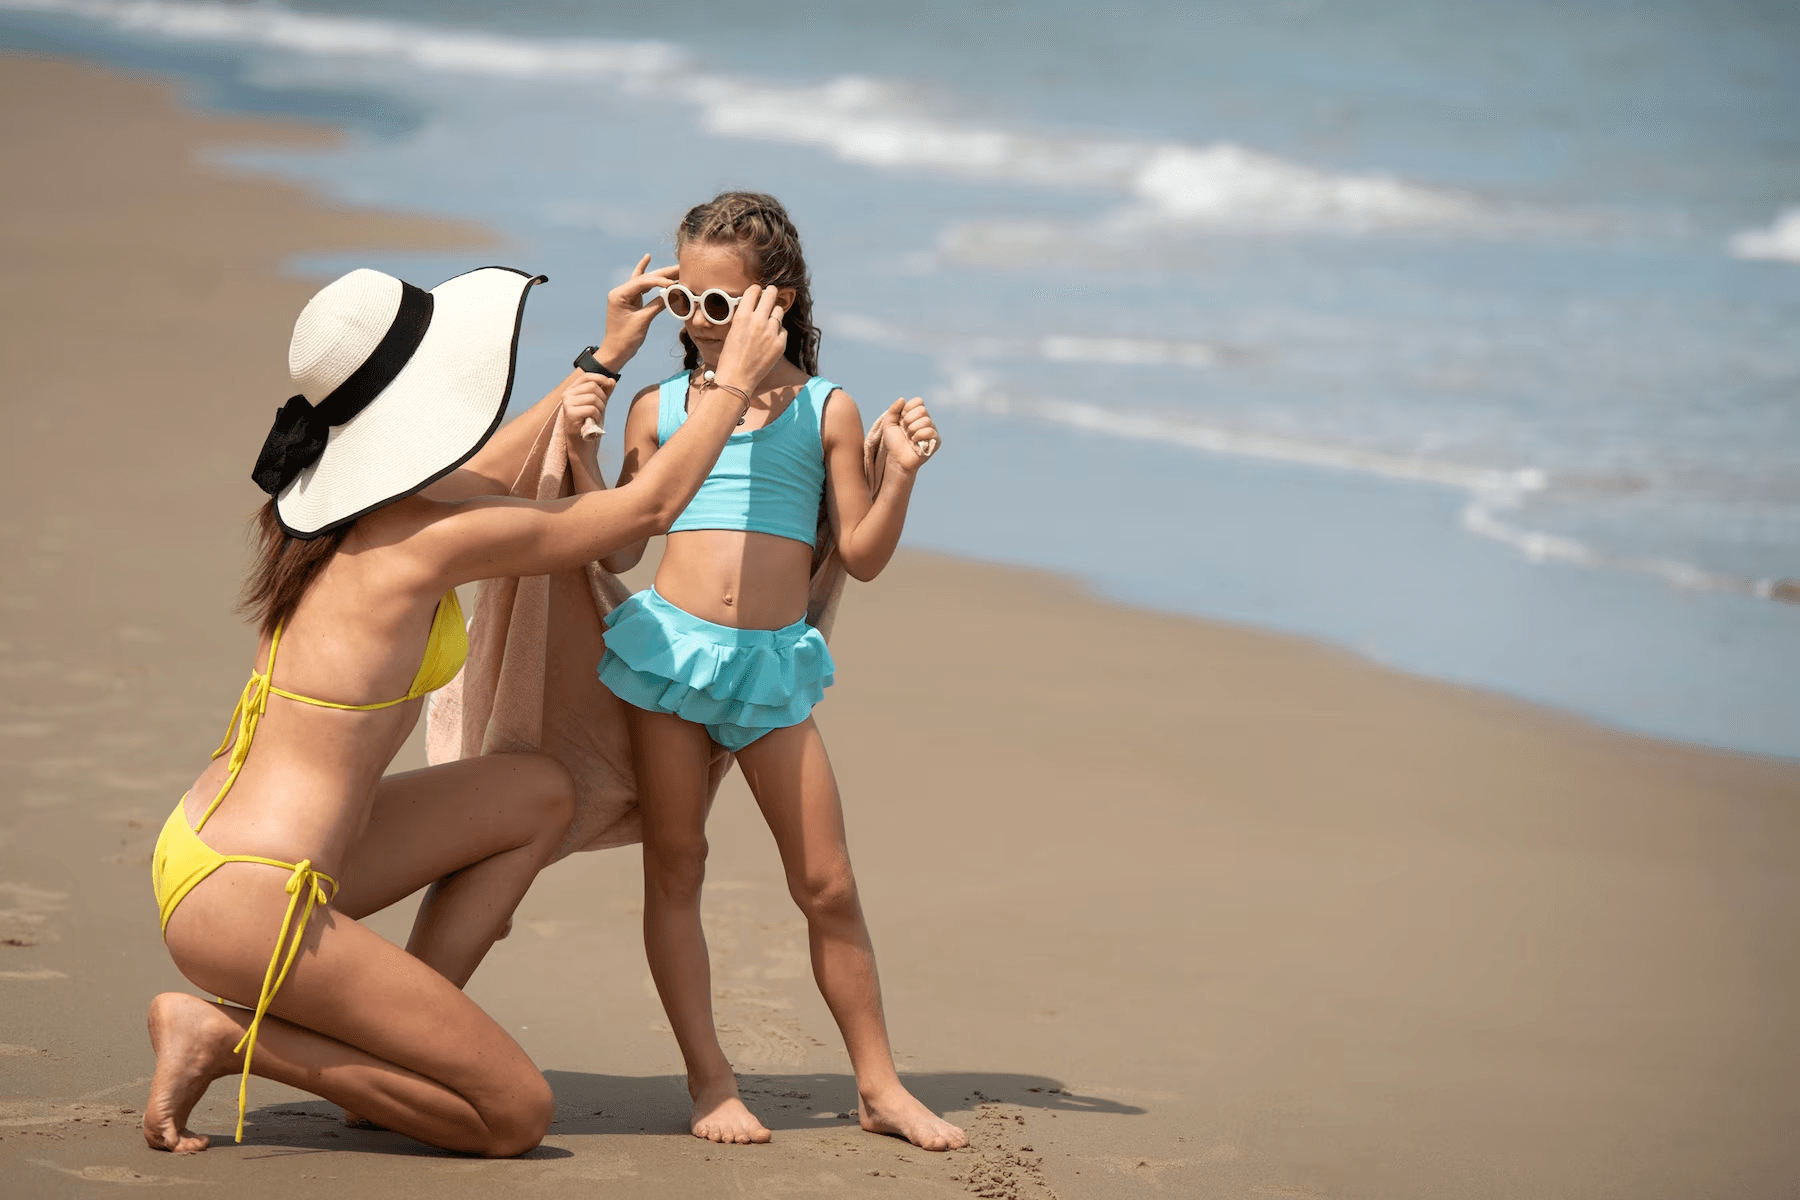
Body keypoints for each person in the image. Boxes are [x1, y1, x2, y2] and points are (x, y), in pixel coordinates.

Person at [143, 259, 790, 1156]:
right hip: (256, 900)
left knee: (537, 791)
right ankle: (227, 1037)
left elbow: (500, 466)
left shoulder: (342, 509)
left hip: (224, 851)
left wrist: (601, 362)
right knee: (513, 1118)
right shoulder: (422, 541)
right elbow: (644, 513)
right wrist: (732, 382)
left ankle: (391, 1042)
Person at [594, 192, 966, 1151]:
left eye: (719, 306)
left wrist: (902, 475)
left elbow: (865, 555)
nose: (699, 325)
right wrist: (575, 464)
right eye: (685, 303)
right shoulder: (661, 407)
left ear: (778, 301)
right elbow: (623, 551)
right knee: (677, 865)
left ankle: (880, 1086)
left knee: (828, 882)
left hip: (769, 671)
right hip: (668, 658)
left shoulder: (824, 408)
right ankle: (709, 1079)